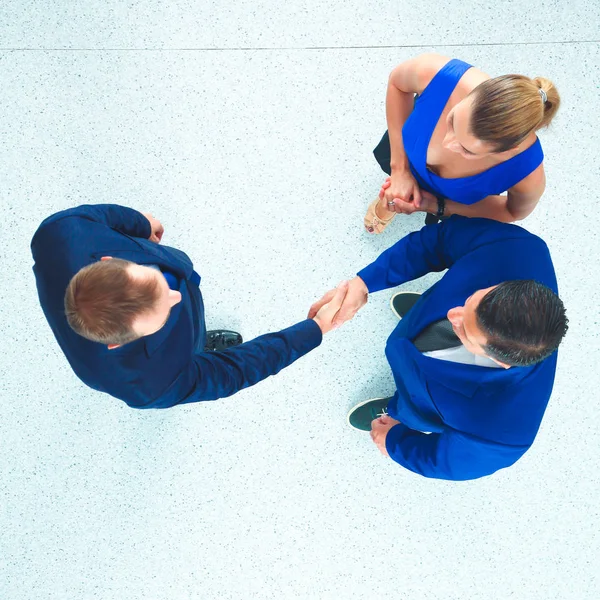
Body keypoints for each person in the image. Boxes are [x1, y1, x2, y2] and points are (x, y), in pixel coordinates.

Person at [309, 216, 568, 481]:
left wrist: (395, 442)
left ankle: (397, 410)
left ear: (501, 361)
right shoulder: (519, 248)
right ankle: (430, 323)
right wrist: (364, 283)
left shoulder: (501, 431)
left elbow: (444, 464)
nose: (452, 313)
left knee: (414, 406)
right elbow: (438, 241)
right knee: (435, 316)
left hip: (425, 402)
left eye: (465, 330)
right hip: (431, 322)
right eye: (471, 300)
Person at [31, 204, 348, 409]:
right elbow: (234, 371)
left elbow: (101, 216)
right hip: (165, 362)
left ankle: (192, 344)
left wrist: (141, 223)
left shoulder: (60, 232)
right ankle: (196, 350)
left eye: (154, 278)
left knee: (186, 325)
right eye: (162, 313)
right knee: (192, 352)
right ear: (120, 341)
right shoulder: (152, 383)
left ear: (110, 261)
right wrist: (314, 329)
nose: (175, 295)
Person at [364, 54, 560, 233]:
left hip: (444, 199)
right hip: (404, 160)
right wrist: (400, 170)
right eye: (452, 121)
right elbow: (397, 82)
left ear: (507, 150)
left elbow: (512, 212)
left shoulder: (527, 176)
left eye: (467, 149)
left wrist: (434, 205)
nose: (447, 143)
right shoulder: (438, 73)